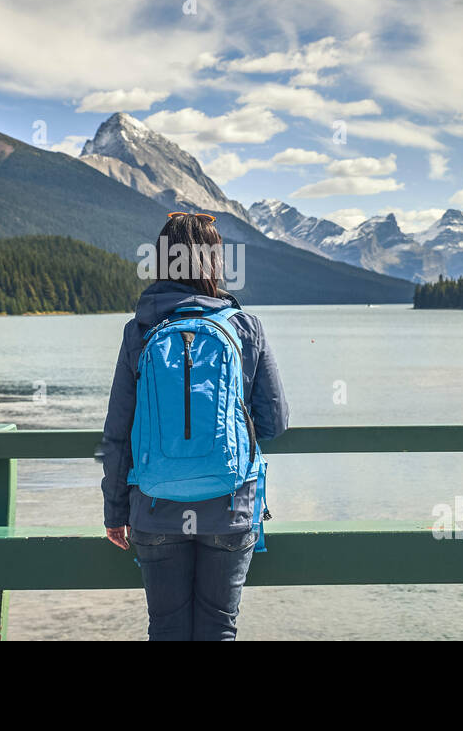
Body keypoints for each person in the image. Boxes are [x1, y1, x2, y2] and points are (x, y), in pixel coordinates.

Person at [99, 211, 288, 641]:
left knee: (165, 628)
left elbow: (118, 431)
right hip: (229, 506)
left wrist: (115, 511)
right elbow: (275, 421)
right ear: (215, 262)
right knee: (219, 626)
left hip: (154, 508)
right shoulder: (244, 326)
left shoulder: (140, 330)